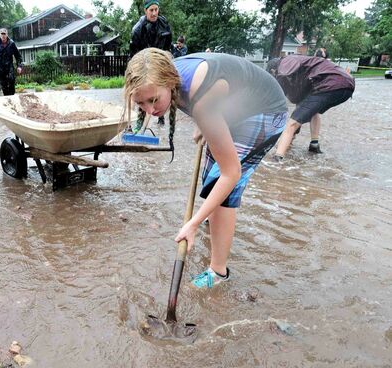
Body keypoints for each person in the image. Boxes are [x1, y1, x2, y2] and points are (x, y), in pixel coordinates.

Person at [123, 48, 288, 288]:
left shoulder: (198, 99)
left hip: (264, 111)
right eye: (141, 103)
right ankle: (218, 221)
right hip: (233, 107)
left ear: (169, 82)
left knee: (223, 188)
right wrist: (204, 121)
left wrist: (193, 223)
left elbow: (231, 173)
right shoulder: (164, 75)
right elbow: (210, 99)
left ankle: (218, 272)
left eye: (153, 100)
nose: (150, 110)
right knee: (212, 184)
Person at [267, 55, 354, 159]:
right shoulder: (304, 71)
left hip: (331, 84)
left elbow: (282, 81)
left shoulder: (285, 63)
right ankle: (314, 145)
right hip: (346, 86)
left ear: (273, 70)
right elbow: (301, 105)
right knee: (312, 112)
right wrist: (293, 134)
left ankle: (277, 158)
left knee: (291, 124)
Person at [129, 0, 173, 127]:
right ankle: (134, 123)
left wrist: (166, 57)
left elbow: (168, 44)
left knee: (160, 89)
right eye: (151, 10)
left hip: (159, 59)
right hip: (142, 61)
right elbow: (134, 55)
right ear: (145, 11)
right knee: (142, 91)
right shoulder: (137, 29)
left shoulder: (164, 23)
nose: (154, 13)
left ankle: (161, 115)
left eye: (156, 10)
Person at [0, 28, 22, 96]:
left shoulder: (11, 43)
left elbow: (18, 56)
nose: (3, 36)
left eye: (4, 34)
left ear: (7, 35)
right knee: (3, 84)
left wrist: (19, 66)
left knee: (11, 80)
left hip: (9, 65)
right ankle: (6, 98)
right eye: (2, 34)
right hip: (0, 66)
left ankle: (12, 96)